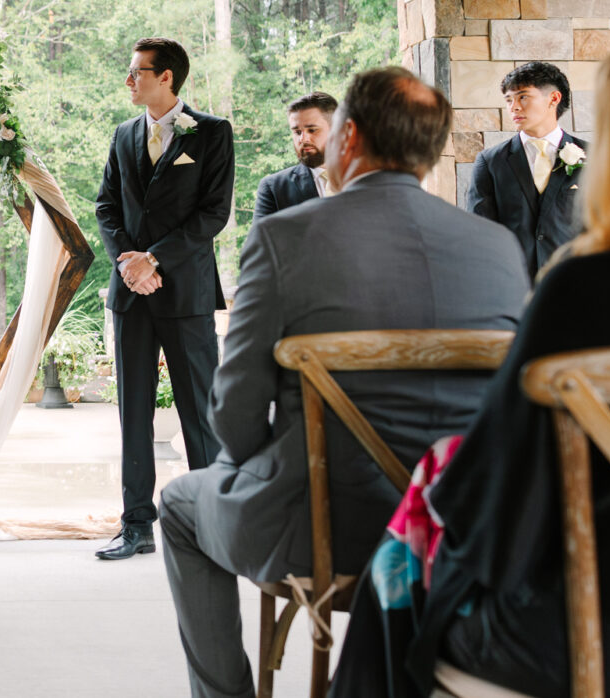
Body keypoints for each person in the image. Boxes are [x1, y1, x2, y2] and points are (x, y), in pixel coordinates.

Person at [156, 66, 530, 698]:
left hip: (323, 531)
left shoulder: (284, 238)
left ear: (347, 137)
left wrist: (252, 473)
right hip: (462, 530)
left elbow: (235, 418)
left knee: (179, 507)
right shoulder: (498, 249)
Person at [332, 46, 610, 698]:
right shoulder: (496, 167)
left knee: (400, 565)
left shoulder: (585, 289)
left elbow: (488, 494)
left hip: (587, 630)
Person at [93, 37, 233, 561]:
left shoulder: (212, 133)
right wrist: (128, 262)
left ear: (166, 77)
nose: (129, 80)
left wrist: (154, 259)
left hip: (186, 292)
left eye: (137, 72)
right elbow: (107, 206)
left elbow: (213, 213)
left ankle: (212, 525)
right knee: (133, 412)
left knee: (201, 411)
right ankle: (136, 526)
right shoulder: (123, 134)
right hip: (131, 294)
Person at [467, 61, 587, 279]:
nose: (513, 107)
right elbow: (480, 236)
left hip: (576, 286)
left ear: (553, 98)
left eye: (522, 96)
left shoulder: (593, 157)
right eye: (508, 99)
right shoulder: (490, 162)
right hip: (512, 287)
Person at [252, 91, 337, 221]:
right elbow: (261, 241)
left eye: (312, 130)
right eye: (297, 132)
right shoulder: (274, 189)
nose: (303, 139)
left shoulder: (369, 179)